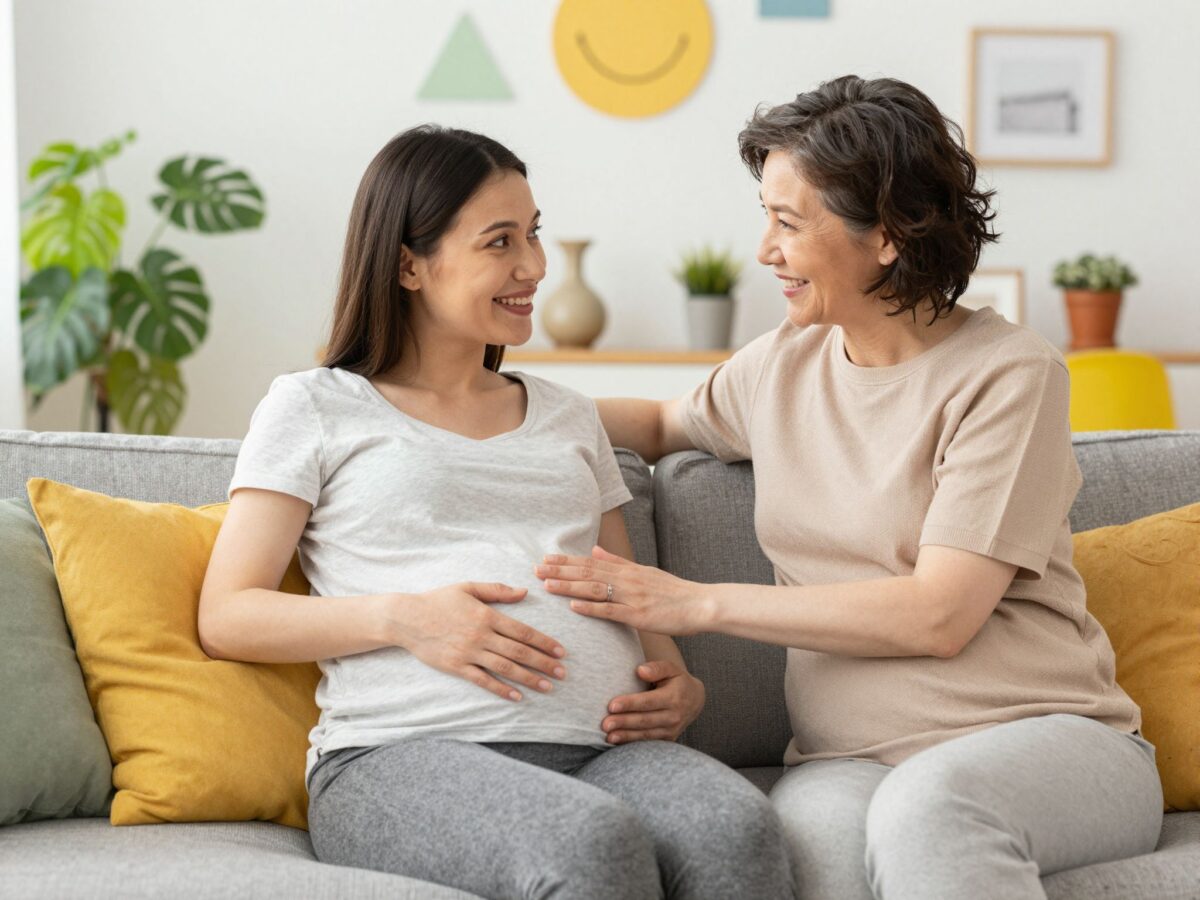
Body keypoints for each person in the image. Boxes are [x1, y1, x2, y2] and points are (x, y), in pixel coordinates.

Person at [538, 76, 1164, 900]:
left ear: (889, 236)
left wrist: (694, 603)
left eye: (787, 222)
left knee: (932, 809)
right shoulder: (783, 366)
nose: (764, 249)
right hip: (845, 763)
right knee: (808, 849)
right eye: (766, 216)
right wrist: (481, 399)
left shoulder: (1009, 374)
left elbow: (940, 613)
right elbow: (656, 422)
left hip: (1047, 742)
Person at [198, 125, 795, 900]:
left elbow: (622, 583)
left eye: (535, 234)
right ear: (410, 263)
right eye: (500, 242)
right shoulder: (315, 406)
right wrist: (403, 619)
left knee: (739, 831)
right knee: (588, 844)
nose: (534, 266)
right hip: (400, 755)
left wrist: (679, 682)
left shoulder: (568, 416)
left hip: (604, 749)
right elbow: (228, 614)